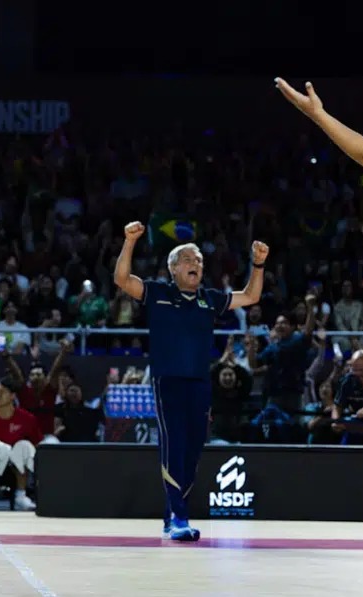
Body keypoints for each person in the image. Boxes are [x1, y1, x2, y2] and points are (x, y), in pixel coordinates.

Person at [113, 222, 268, 542]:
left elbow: (251, 295)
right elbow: (122, 280)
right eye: (187, 259)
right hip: (168, 380)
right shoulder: (158, 292)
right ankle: (180, 517)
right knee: (174, 445)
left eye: (198, 259)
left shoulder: (209, 299)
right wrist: (129, 242)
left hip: (199, 382)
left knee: (194, 449)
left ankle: (173, 514)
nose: (195, 263)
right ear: (172, 268)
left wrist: (258, 264)